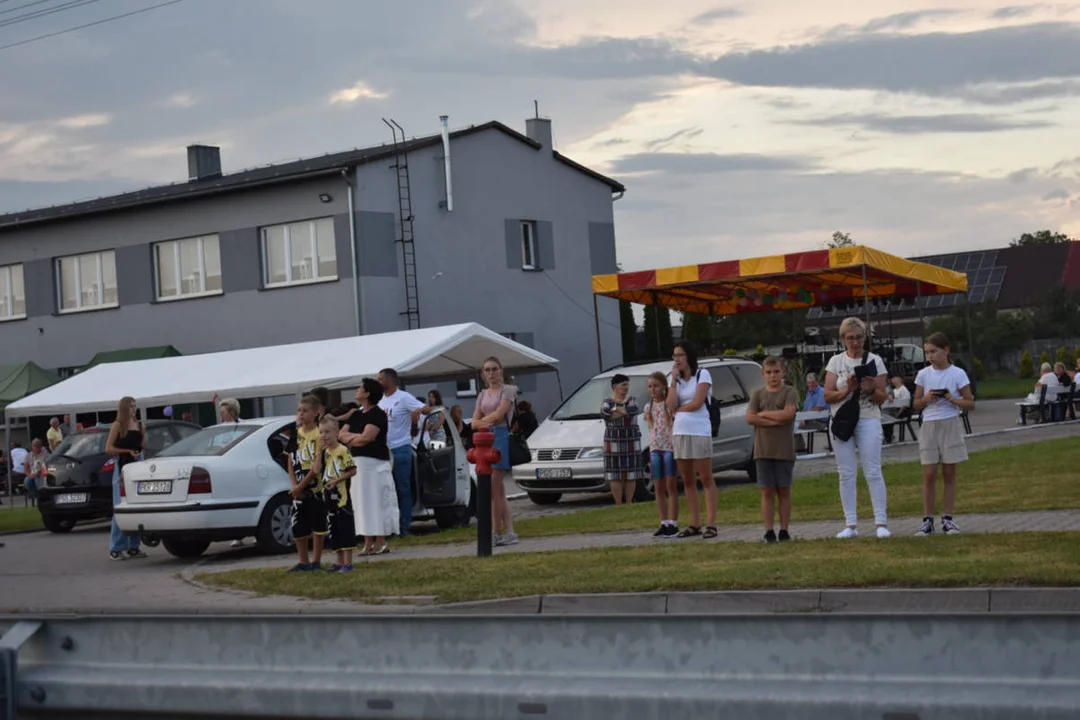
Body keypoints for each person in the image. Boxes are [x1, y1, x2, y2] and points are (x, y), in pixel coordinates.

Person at [824, 317, 890, 539]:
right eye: (850, 338)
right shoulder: (835, 362)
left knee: (872, 469)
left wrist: (871, 389)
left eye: (859, 337)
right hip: (842, 419)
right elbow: (828, 395)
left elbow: (883, 397)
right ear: (843, 340)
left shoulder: (875, 360)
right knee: (846, 473)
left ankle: (880, 522)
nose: (855, 342)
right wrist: (847, 390)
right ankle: (850, 524)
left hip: (868, 417)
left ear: (865, 338)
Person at [913, 333, 975, 536]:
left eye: (933, 351)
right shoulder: (923, 374)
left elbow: (970, 403)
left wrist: (952, 398)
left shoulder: (958, 373)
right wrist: (926, 399)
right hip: (930, 424)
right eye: (927, 352)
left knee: (949, 473)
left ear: (946, 350)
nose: (930, 356)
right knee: (929, 473)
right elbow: (915, 403)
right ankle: (927, 520)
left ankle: (948, 519)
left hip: (950, 422)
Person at [340, 378, 398, 556]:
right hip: (358, 463)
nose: (357, 391)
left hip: (375, 464)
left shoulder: (377, 414)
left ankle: (380, 540)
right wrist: (354, 438)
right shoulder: (357, 414)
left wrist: (351, 438)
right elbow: (341, 434)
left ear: (367, 393)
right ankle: (367, 542)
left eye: (360, 388)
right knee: (361, 501)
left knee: (376, 501)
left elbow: (368, 438)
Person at [667, 340, 717, 539]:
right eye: (674, 356)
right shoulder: (676, 380)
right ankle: (694, 523)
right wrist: (672, 382)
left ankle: (711, 523)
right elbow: (670, 405)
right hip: (680, 431)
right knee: (687, 480)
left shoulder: (702, 374)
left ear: (688, 356)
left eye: (680, 355)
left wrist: (679, 410)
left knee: (705, 477)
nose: (677, 359)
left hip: (699, 430)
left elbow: (697, 402)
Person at [745, 356, 798, 543]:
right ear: (763, 375)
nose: (773, 376)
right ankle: (769, 530)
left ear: (783, 372)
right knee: (767, 490)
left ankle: (784, 529)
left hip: (784, 450)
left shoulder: (790, 392)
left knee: (783, 490)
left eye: (776, 372)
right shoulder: (757, 394)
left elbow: (788, 415)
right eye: (768, 372)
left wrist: (764, 414)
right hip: (763, 450)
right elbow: (750, 418)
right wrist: (776, 418)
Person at [473, 356, 519, 546]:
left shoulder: (508, 390)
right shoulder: (482, 394)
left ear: (501, 370)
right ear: (483, 374)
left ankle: (495, 531)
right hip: (485, 439)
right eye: (487, 370)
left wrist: (482, 422)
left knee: (493, 489)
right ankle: (509, 531)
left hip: (500, 437)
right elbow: (473, 421)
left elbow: (501, 413)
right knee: (498, 491)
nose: (491, 373)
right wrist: (483, 422)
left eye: (494, 369)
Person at [377, 369, 429, 537]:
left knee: (402, 488)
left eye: (380, 379)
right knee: (386, 490)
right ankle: (389, 526)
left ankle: (404, 526)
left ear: (390, 380)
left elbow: (424, 408)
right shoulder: (379, 399)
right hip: (384, 449)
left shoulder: (403, 397)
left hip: (400, 448)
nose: (378, 382)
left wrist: (422, 411)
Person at [105, 397, 148, 560]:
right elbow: (108, 448)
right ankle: (116, 547)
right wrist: (126, 451)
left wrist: (143, 435)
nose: (133, 409)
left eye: (135, 406)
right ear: (124, 408)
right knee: (120, 507)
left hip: (138, 464)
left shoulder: (138, 424)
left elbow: (143, 445)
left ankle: (133, 546)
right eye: (130, 406)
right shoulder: (118, 425)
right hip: (123, 466)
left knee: (136, 507)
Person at [287, 394, 326, 571]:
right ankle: (303, 560)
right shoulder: (296, 435)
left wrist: (303, 485)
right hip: (299, 482)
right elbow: (290, 458)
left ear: (316, 413)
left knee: (318, 523)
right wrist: (295, 484)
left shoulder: (319, 435)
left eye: (305, 411)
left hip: (315, 484)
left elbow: (317, 466)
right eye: (299, 411)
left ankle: (316, 560)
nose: (301, 414)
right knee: (298, 524)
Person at [313, 415, 357, 572]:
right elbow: (316, 470)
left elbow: (352, 470)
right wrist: (318, 451)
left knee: (345, 528)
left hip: (341, 497)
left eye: (327, 432)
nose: (324, 436)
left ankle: (348, 563)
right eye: (321, 432)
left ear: (336, 432)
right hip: (328, 496)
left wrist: (338, 480)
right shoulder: (324, 452)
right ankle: (338, 561)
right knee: (334, 530)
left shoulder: (342, 450)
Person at [643, 371, 678, 538]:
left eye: (656, 386)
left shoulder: (668, 405)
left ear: (664, 386)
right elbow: (650, 427)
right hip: (655, 448)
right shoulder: (648, 407)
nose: (653, 389)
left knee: (671, 485)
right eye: (650, 386)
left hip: (669, 447)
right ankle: (663, 522)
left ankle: (673, 522)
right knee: (658, 486)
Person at [600, 373, 643, 506]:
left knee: (631, 473)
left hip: (631, 440)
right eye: (623, 385)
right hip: (613, 441)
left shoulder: (632, 400)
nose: (626, 387)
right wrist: (623, 412)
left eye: (627, 385)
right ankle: (618, 504)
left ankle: (629, 502)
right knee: (615, 474)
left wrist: (617, 411)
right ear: (615, 386)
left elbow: (632, 410)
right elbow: (606, 414)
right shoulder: (607, 402)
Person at [883, 376, 911, 444]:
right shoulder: (894, 390)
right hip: (892, 411)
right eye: (892, 378)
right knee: (885, 416)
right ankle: (888, 436)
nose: (893, 380)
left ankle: (888, 437)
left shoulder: (903, 389)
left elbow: (905, 404)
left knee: (887, 417)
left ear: (900, 379)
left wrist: (898, 414)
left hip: (902, 412)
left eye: (895, 378)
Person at [24, 439, 49, 508]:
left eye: (38, 446)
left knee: (38, 481)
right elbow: (25, 468)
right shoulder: (29, 455)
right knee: (27, 481)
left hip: (42, 474)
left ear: (40, 446)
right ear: (32, 446)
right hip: (32, 474)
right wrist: (29, 475)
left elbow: (47, 466)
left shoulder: (45, 455)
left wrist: (39, 473)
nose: (36, 447)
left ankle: (40, 498)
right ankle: (36, 496)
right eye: (34, 446)